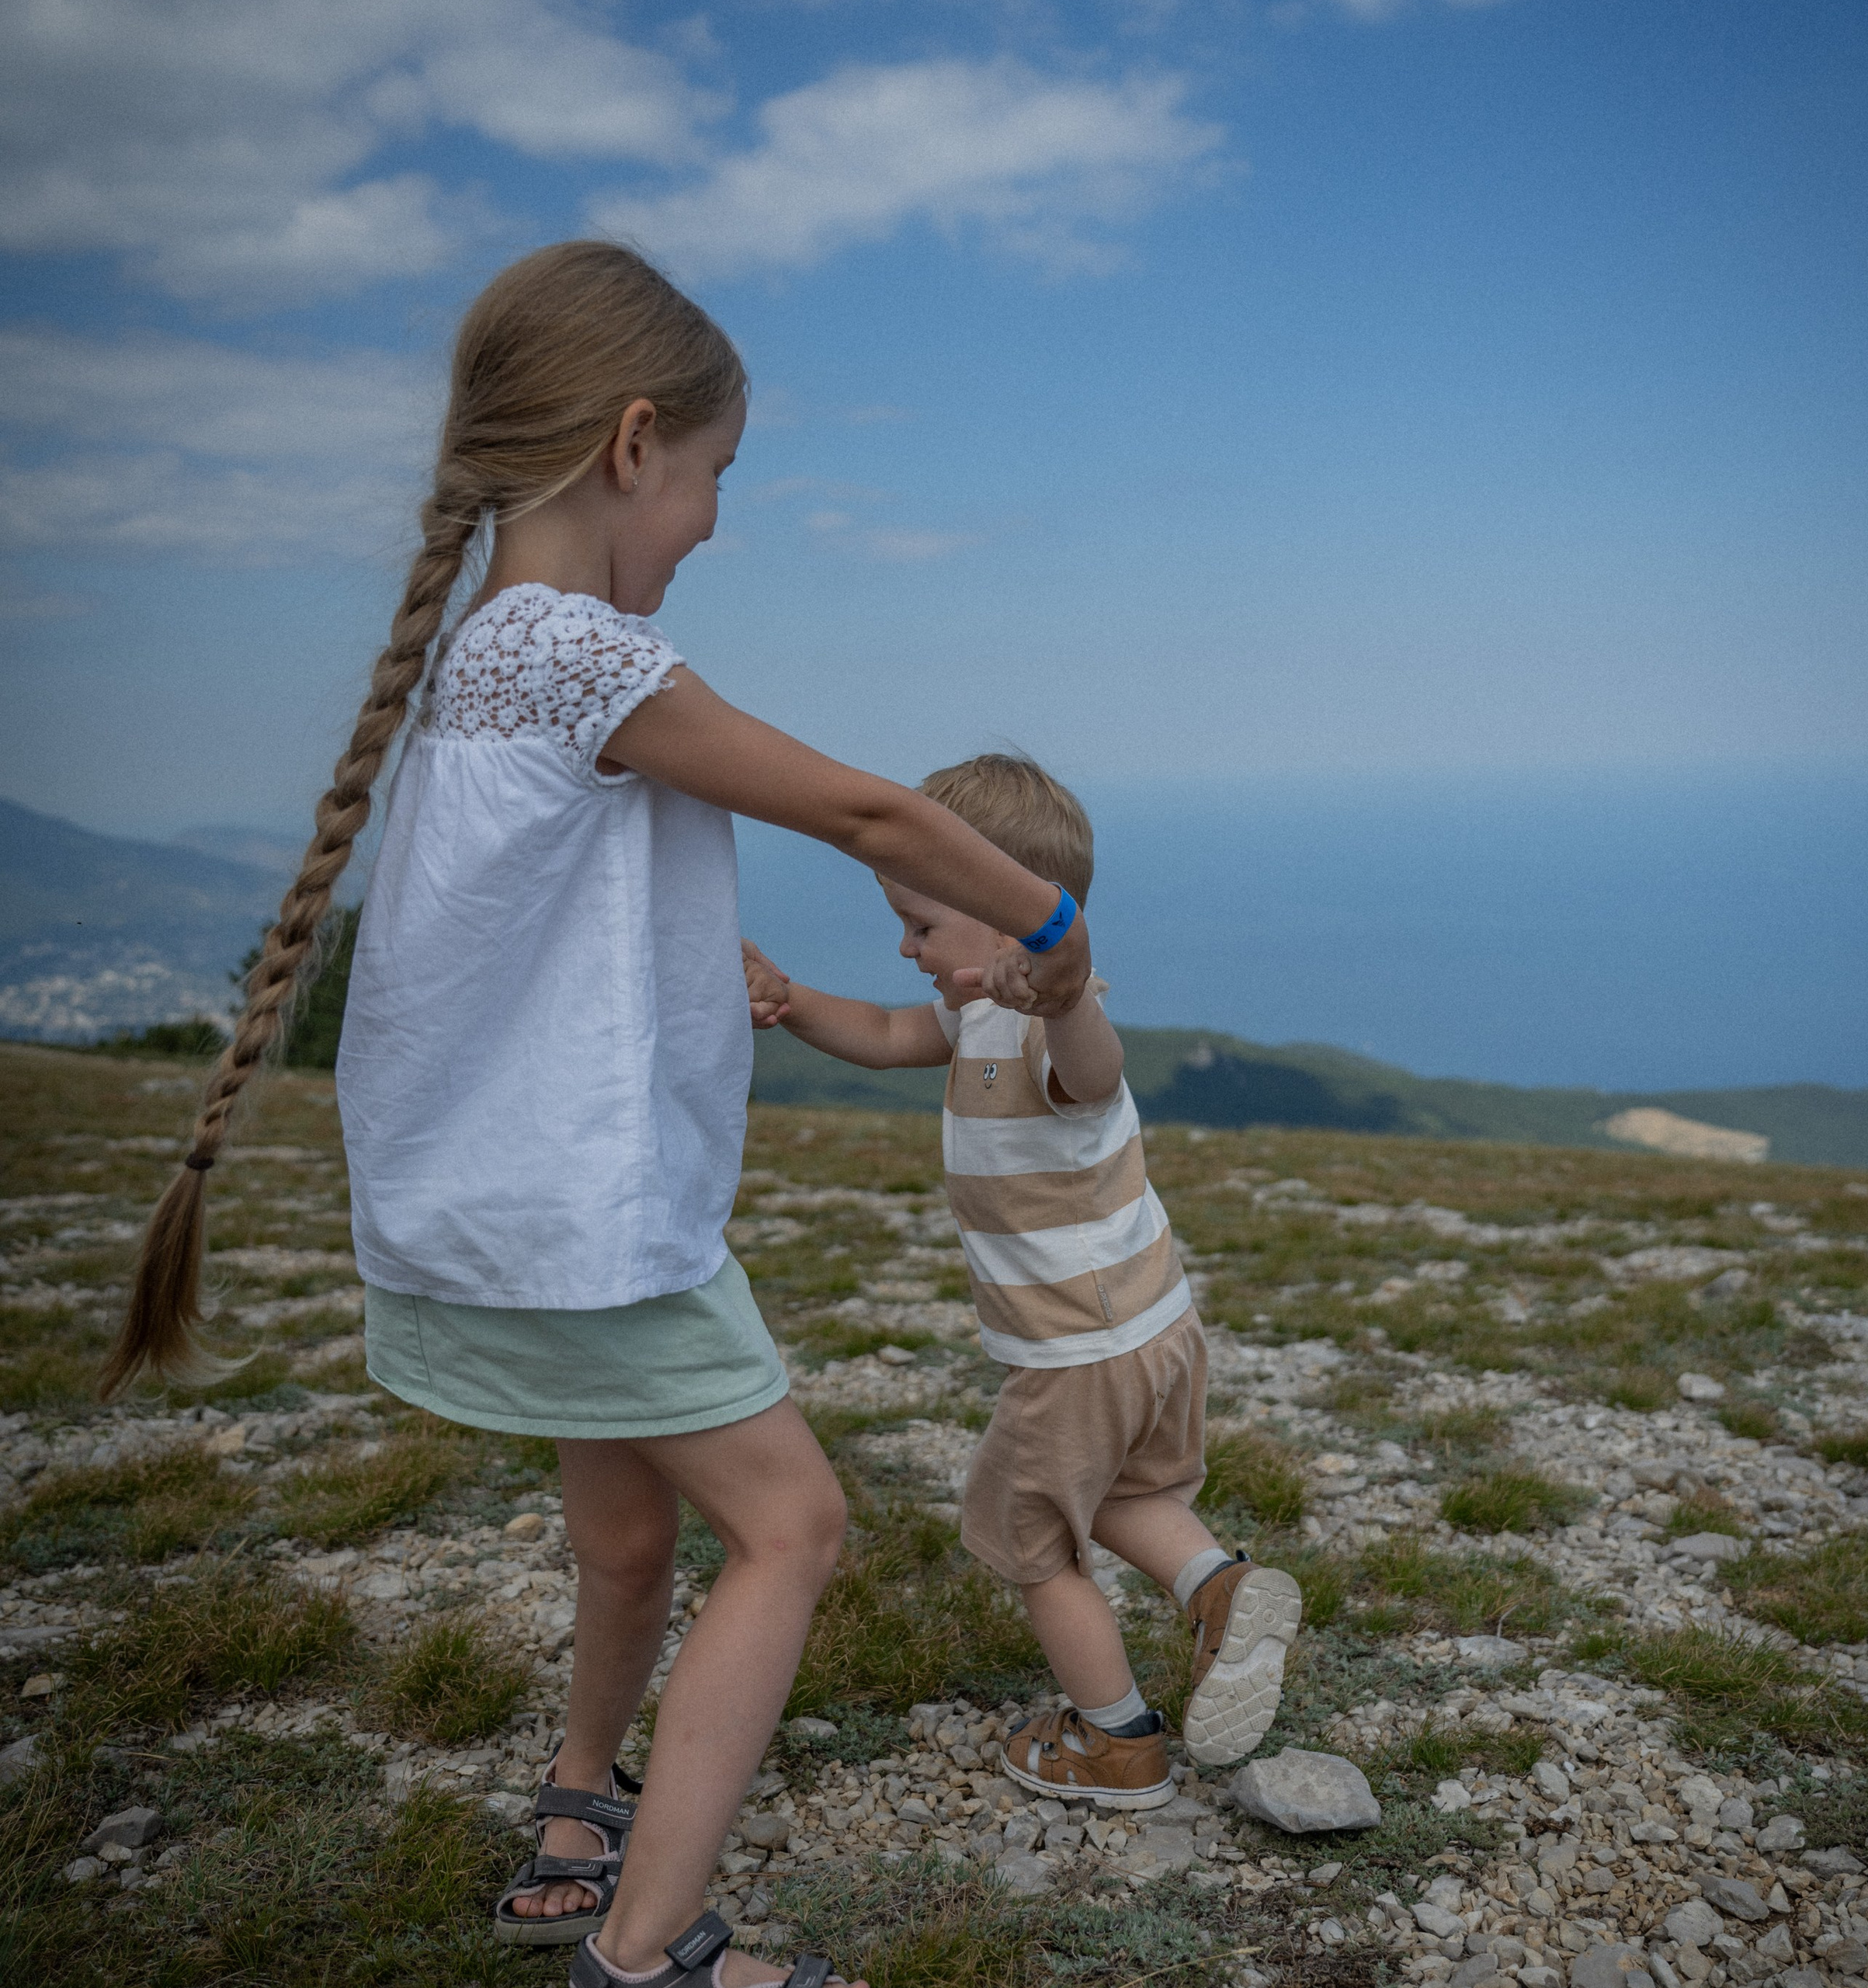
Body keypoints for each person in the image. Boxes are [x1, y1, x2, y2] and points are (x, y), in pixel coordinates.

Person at [104, 243, 1098, 1988]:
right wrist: (1057, 933)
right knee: (790, 1525)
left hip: (486, 1209)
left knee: (630, 1531)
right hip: (582, 1223)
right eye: (715, 474)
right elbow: (870, 813)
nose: (714, 519)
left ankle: (581, 1792)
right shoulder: (577, 651)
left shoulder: (487, 652)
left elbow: (521, 915)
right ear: (635, 444)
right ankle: (648, 1951)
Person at [745, 755, 1302, 1809]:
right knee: (1128, 1494)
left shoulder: (1058, 1026)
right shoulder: (971, 1014)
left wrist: (1059, 993)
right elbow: (885, 1033)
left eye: (921, 924)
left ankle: (1115, 1739)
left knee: (1029, 1544)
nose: (904, 947)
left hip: (1078, 1351)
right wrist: (792, 998)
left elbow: (1091, 1068)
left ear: (1010, 917)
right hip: (1151, 1327)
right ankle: (1223, 1590)